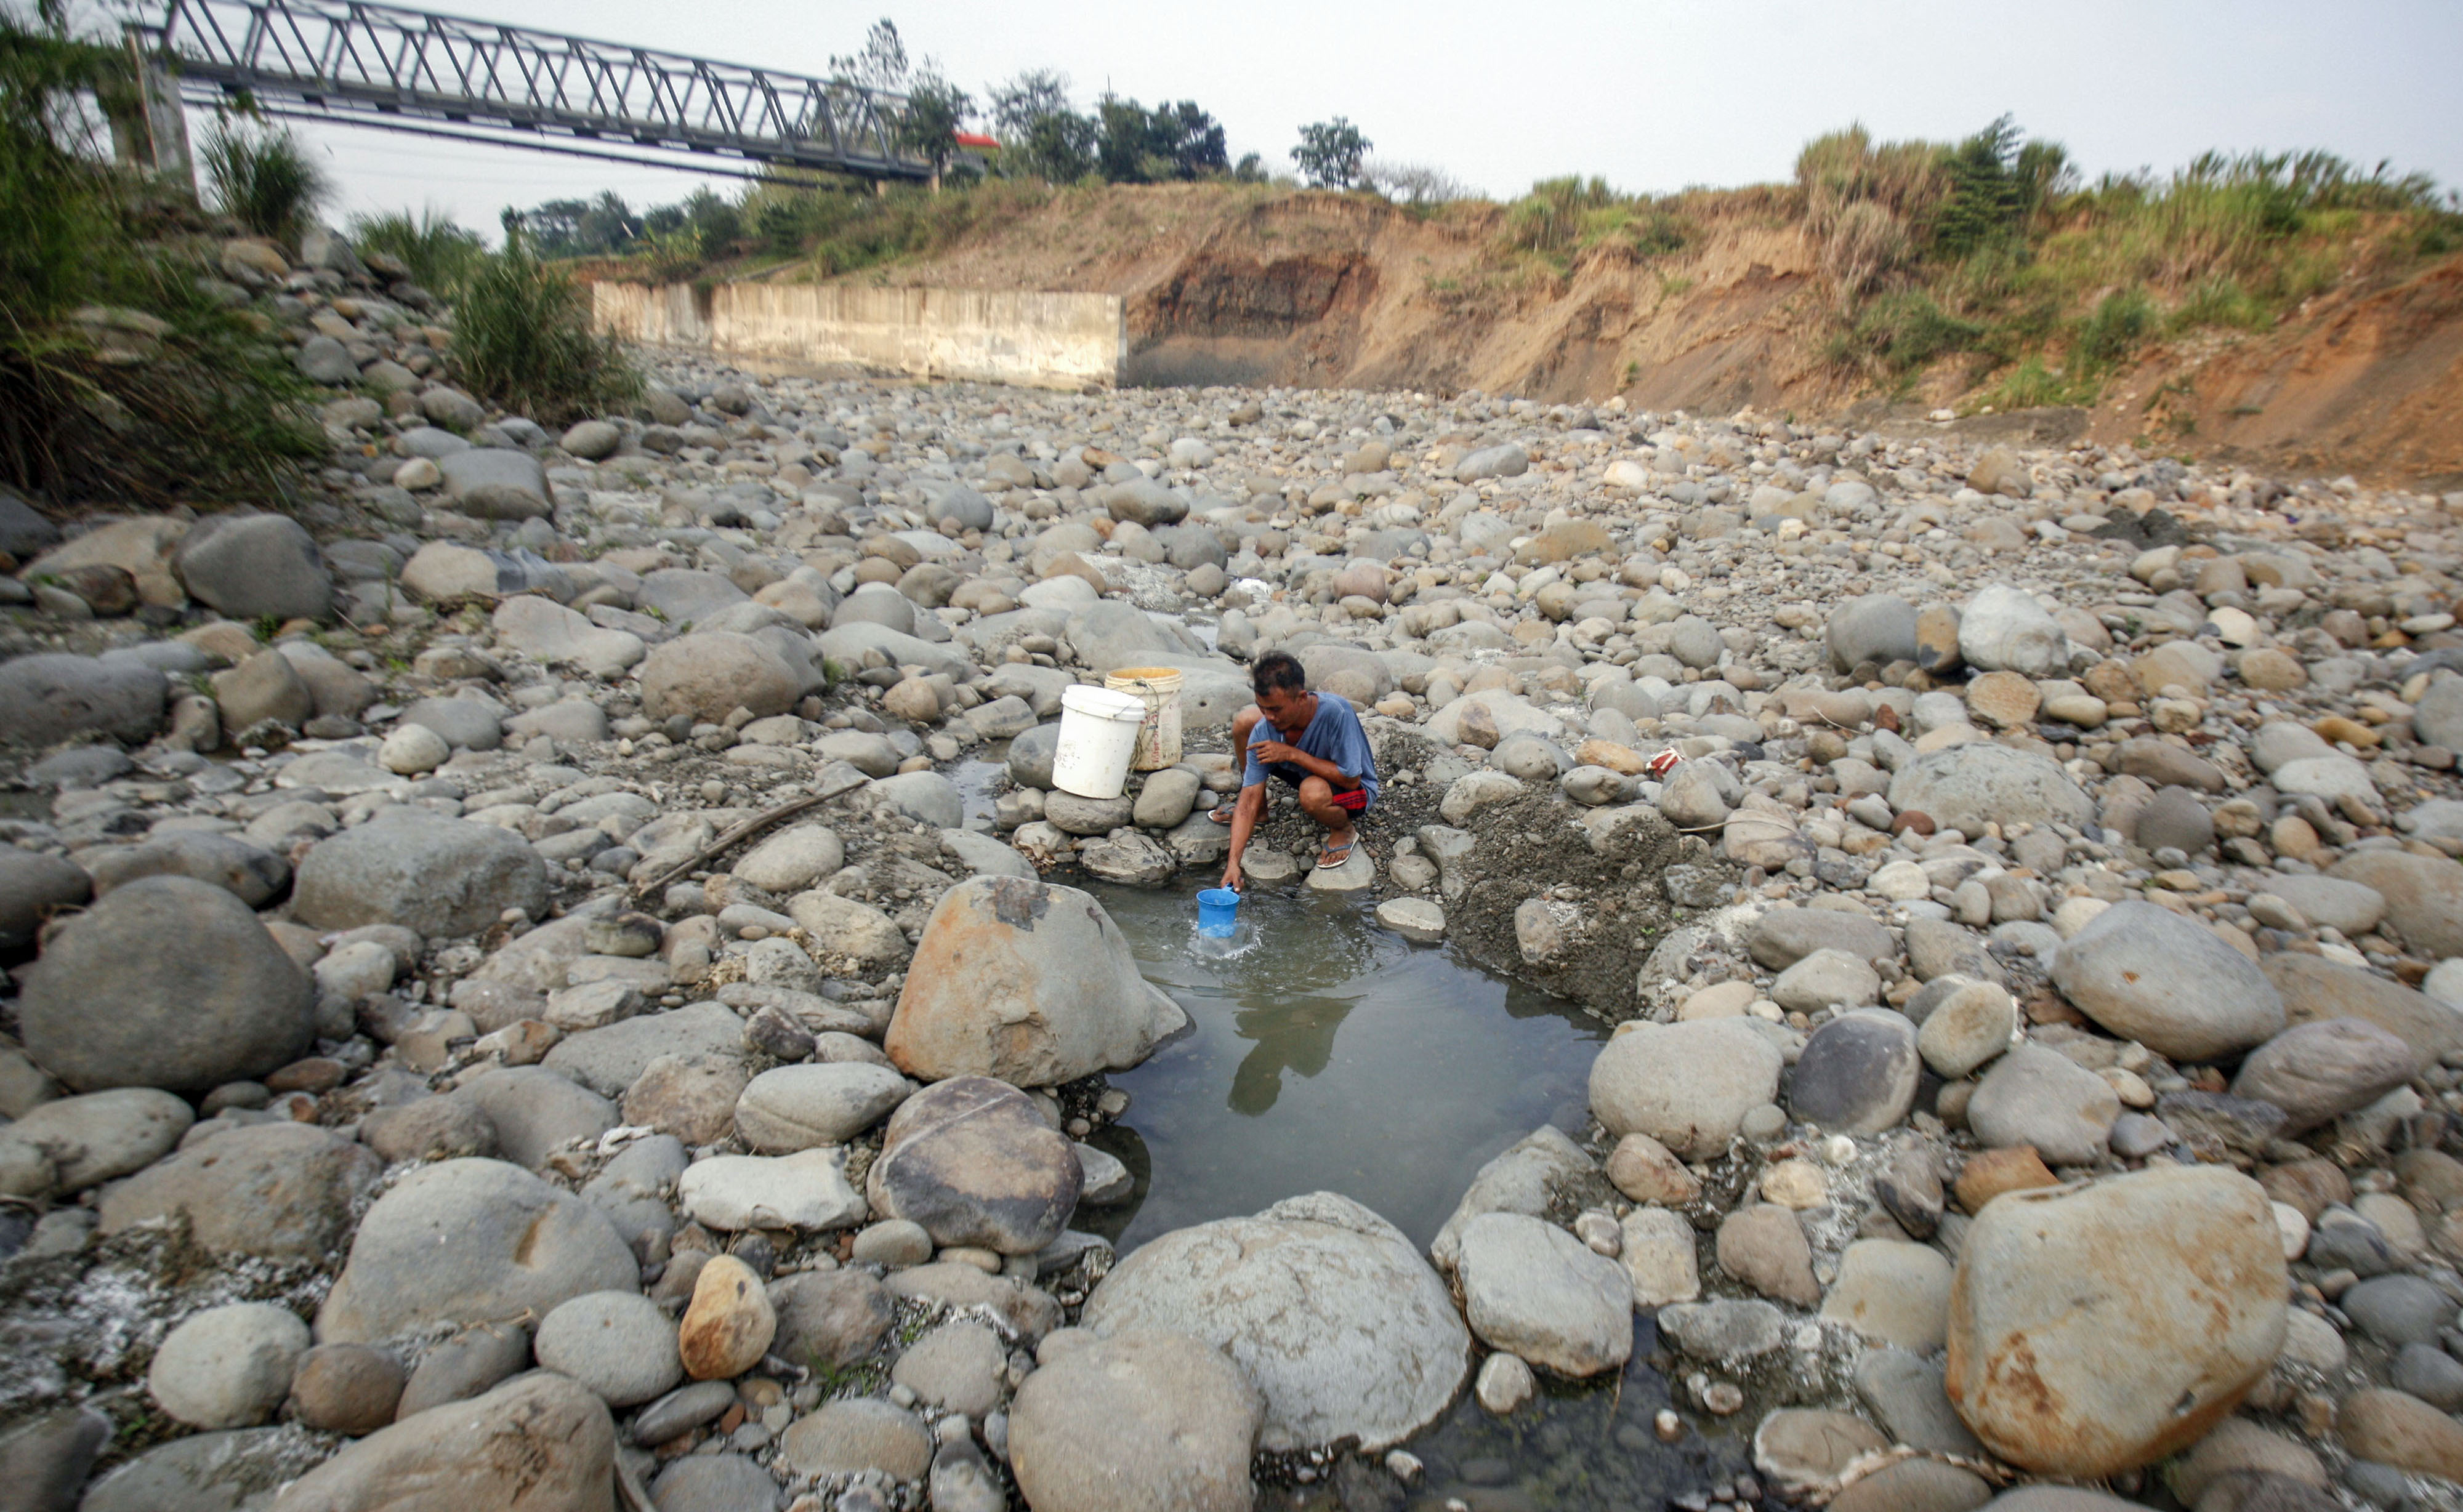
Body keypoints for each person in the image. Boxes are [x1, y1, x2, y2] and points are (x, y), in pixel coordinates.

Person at [1217, 652, 1378, 890]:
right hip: (1308, 775)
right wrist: (1233, 863)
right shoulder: (1266, 728)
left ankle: (1344, 830)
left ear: (1302, 698)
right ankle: (1262, 815)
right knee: (1247, 725)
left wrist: (1291, 754)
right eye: (1262, 708)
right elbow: (1248, 797)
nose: (1269, 717)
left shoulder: (1336, 713)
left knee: (1312, 793)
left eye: (1276, 709)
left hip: (1355, 790)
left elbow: (1352, 779)